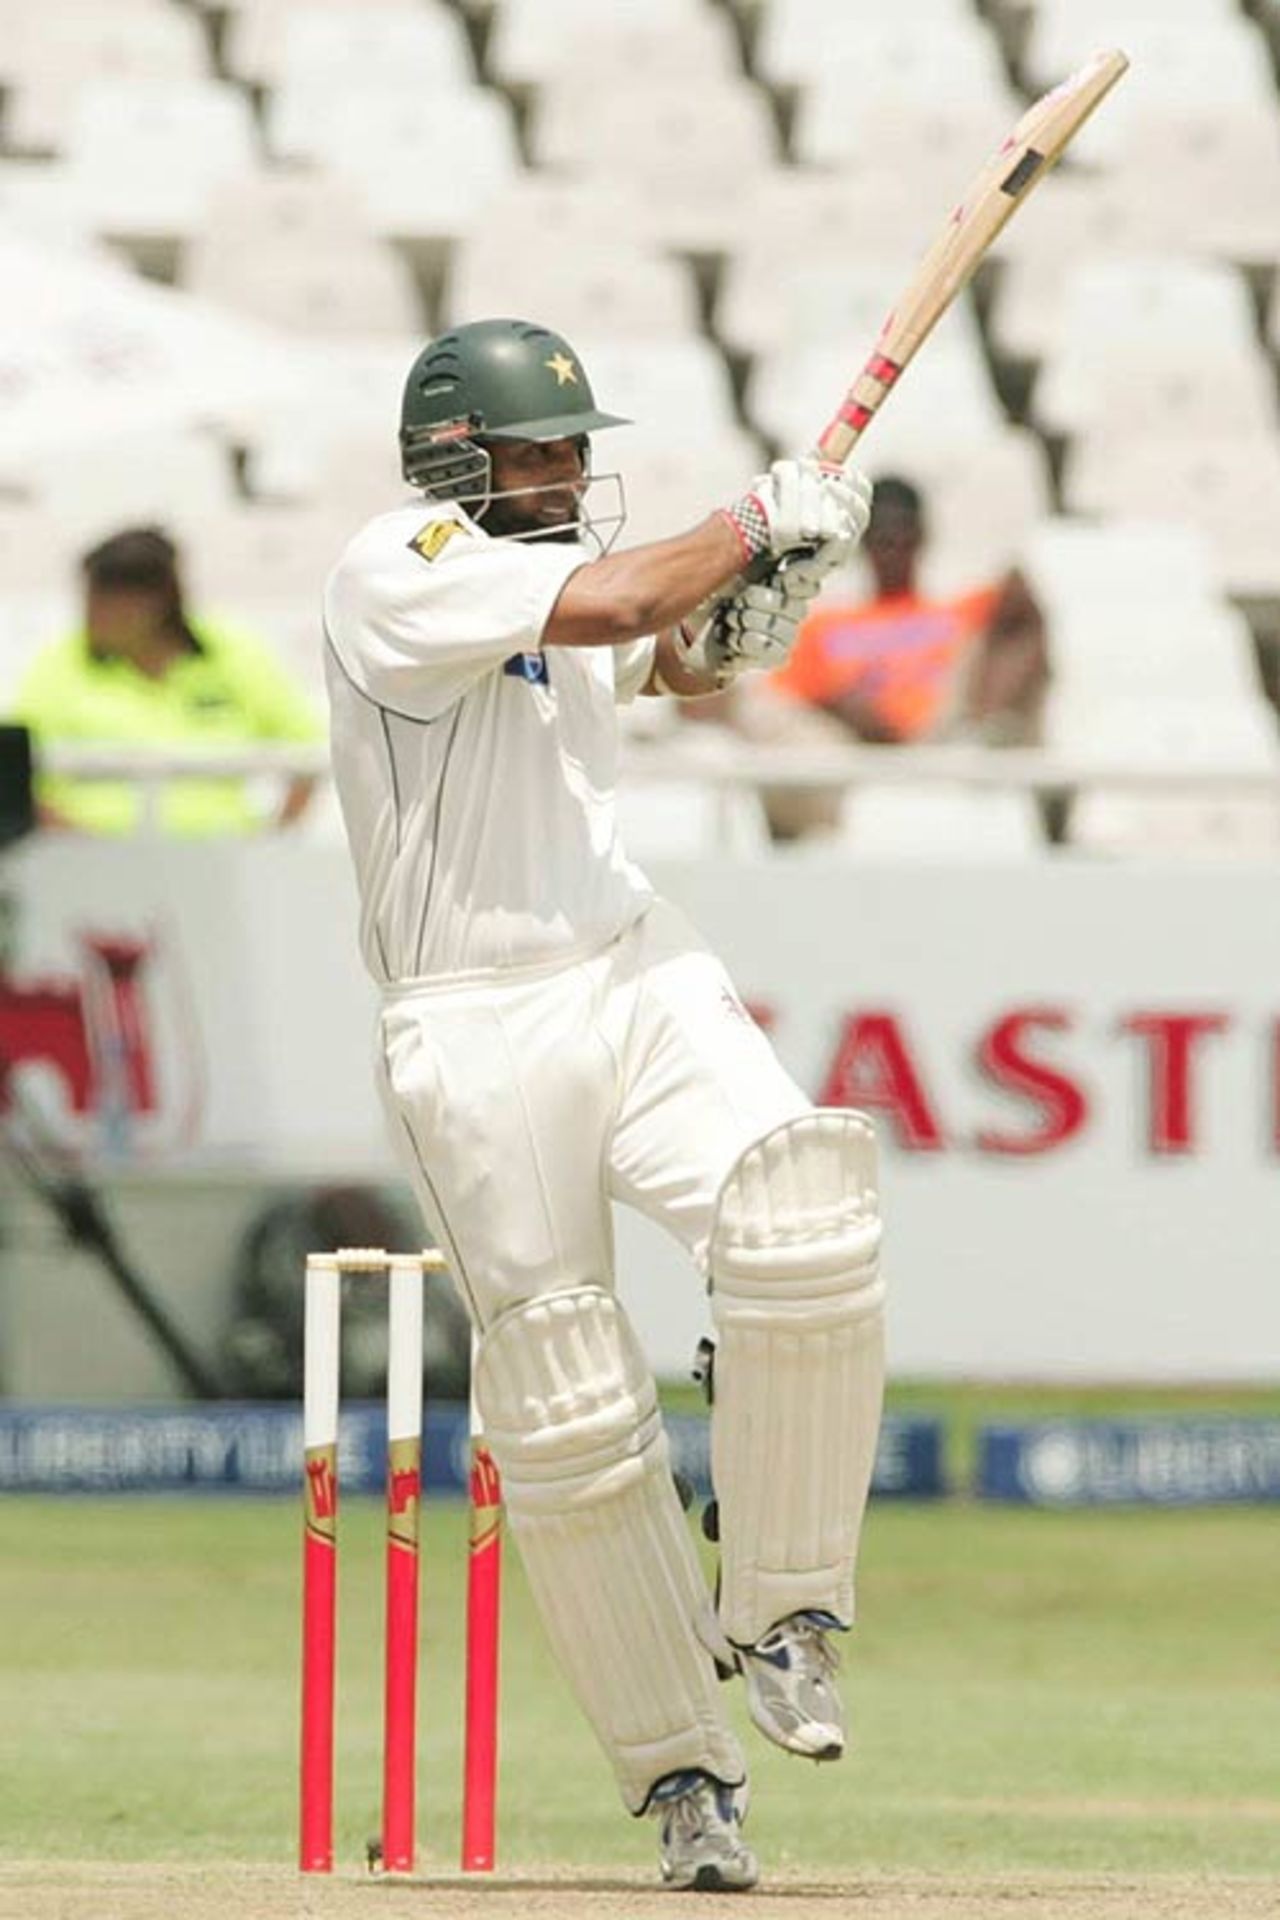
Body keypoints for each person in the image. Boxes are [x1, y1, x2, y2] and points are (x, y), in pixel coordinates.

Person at [323, 317, 885, 1893]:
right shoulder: (401, 563)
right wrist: (751, 523)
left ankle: (783, 1611)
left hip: (626, 958)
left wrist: (783, 579)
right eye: (540, 454)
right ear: (454, 458)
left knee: (804, 1209)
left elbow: (676, 652)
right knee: (565, 1397)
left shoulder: (545, 566)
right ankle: (684, 1784)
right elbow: (635, 596)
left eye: (580, 452)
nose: (570, 477)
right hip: (470, 1019)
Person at [14, 526, 320, 835]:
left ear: (155, 602)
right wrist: (72, 843)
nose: (91, 615)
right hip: (86, 865)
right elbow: (10, 764)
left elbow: (308, 748)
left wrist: (272, 841)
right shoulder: (61, 662)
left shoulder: (233, 653)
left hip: (222, 862)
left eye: (106, 603)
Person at [769, 474, 1049, 748]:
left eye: (904, 535)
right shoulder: (823, 626)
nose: (894, 549)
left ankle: (982, 736)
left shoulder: (960, 610)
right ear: (862, 544)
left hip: (949, 734)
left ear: (922, 537)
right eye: (883, 538)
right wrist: (840, 708)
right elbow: (785, 703)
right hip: (851, 748)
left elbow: (1020, 598)